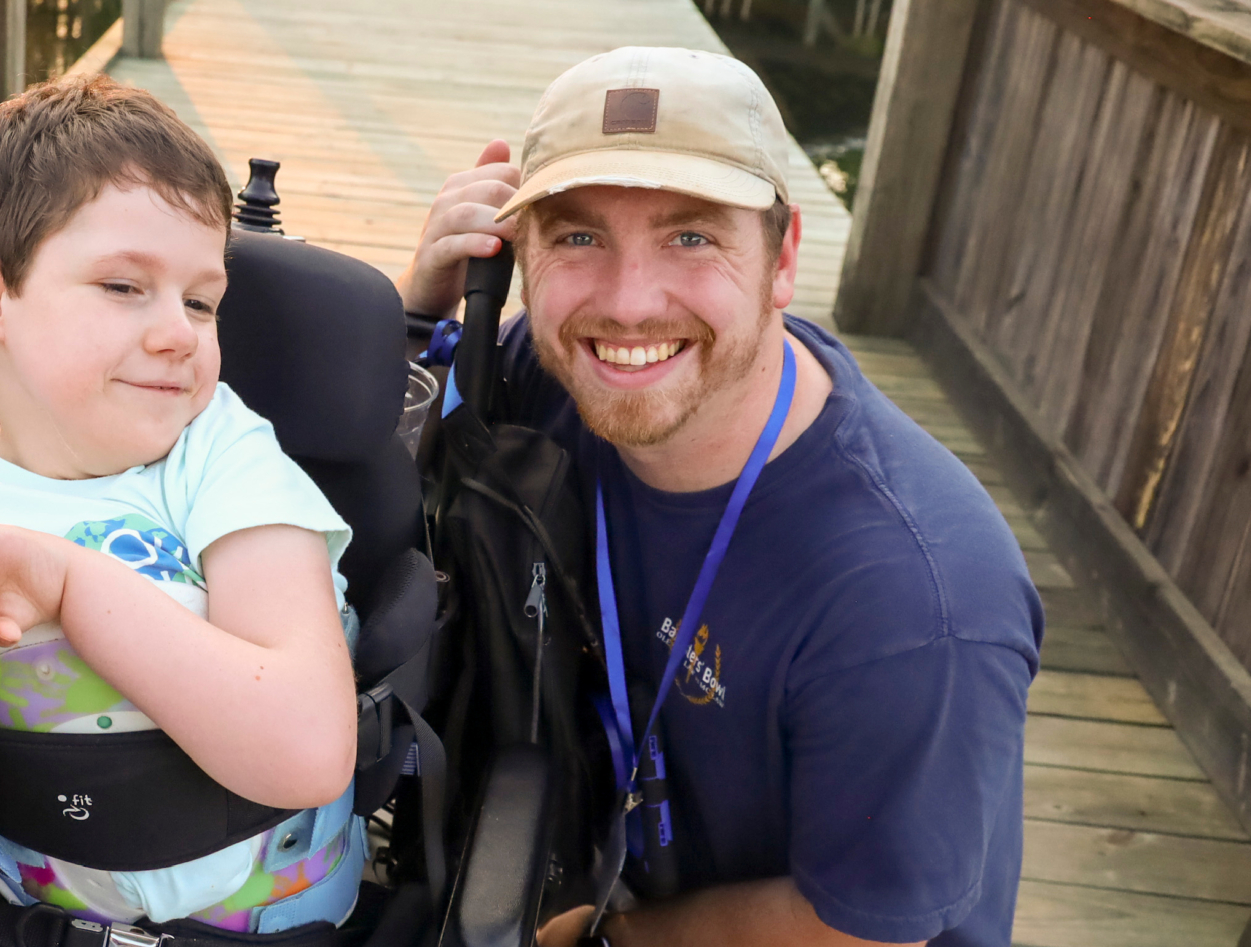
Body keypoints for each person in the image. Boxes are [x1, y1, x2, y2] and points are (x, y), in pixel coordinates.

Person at [400, 48, 1039, 947]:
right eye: (577, 236)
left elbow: (856, 931)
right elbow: (369, 488)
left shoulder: (913, 598)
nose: (627, 304)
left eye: (691, 237)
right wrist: (418, 315)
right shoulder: (550, 382)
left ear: (783, 261)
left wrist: (599, 937)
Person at [0, 74, 365, 935]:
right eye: (122, 286)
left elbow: (307, 750)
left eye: (201, 301)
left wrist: (67, 584)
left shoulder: (220, 451)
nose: (179, 331)